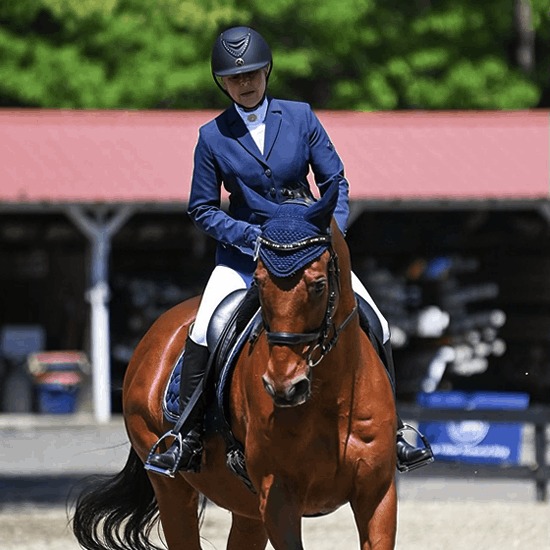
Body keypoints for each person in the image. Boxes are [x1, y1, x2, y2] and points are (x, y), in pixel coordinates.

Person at [145, 26, 433, 476]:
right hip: (247, 258)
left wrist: (327, 238)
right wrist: (248, 238)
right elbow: (201, 208)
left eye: (253, 73)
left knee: (377, 318)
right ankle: (188, 433)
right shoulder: (212, 136)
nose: (246, 83)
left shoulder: (300, 117)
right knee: (204, 328)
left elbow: (335, 183)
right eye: (235, 78)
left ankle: (394, 431)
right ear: (223, 82)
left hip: (310, 252)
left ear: (267, 71)